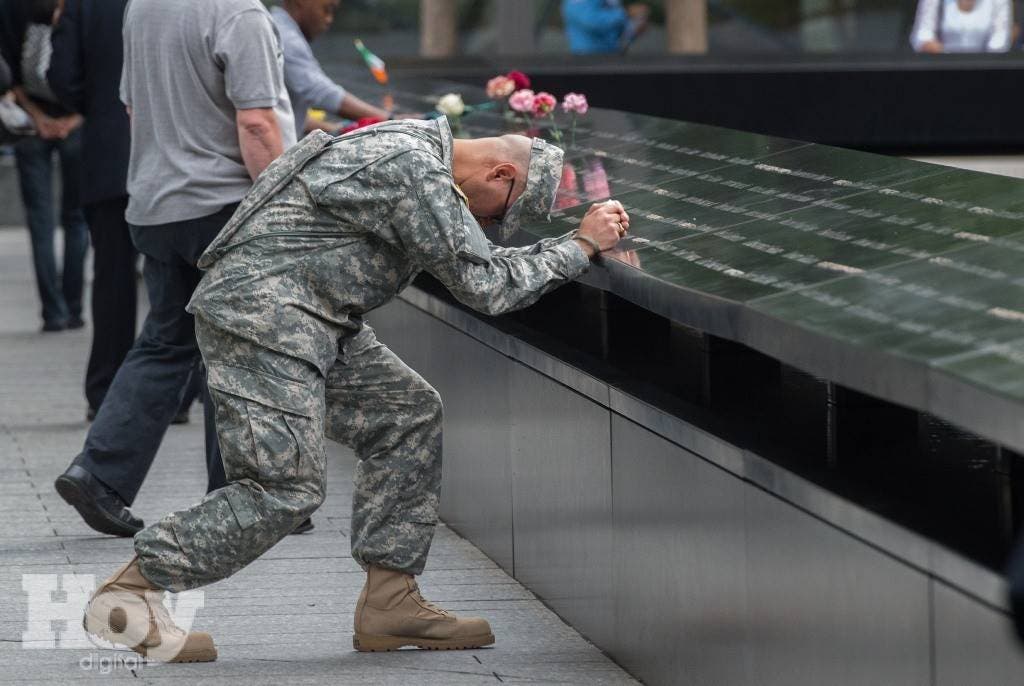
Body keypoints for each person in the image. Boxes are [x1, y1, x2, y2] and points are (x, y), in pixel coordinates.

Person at [80, 118, 629, 662]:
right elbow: (486, 286)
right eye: (495, 214)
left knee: (407, 415)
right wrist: (580, 246)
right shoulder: (415, 172)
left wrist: (571, 245)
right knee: (282, 488)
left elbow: (475, 264)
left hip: (314, 317)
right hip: (265, 320)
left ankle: (390, 602)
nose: (486, 224)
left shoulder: (411, 145)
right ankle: (129, 594)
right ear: (500, 173)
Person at [53, 0, 300, 539]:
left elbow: (133, 109)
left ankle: (98, 474)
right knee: (240, 349)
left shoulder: (143, 7)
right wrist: (282, 208)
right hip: (223, 206)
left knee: (167, 341)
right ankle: (243, 494)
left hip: (155, 200)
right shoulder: (240, 14)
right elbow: (257, 122)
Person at [1, 0, 88, 333]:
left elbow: (6, 71)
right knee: (77, 219)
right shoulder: (82, 8)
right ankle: (75, 308)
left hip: (28, 122)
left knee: (41, 221)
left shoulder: (12, 7)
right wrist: (72, 120)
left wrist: (37, 118)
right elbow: (99, 68)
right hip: (76, 120)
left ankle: (52, 312)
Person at [270, 0, 399, 140]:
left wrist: (336, 129)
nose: (329, 19)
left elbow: (287, 117)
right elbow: (321, 92)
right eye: (327, 9)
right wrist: (393, 120)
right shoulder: (286, 37)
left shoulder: (278, 28)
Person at [911, 0, 1012, 52]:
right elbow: (923, 34)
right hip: (941, 66)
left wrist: (980, 63)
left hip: (985, 69)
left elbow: (999, 41)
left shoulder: (999, 1)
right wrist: (947, 57)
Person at [561, 0, 650, 54]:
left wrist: (633, 30)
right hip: (586, 59)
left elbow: (618, 29)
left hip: (613, 57)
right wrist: (626, 12)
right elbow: (590, 21)